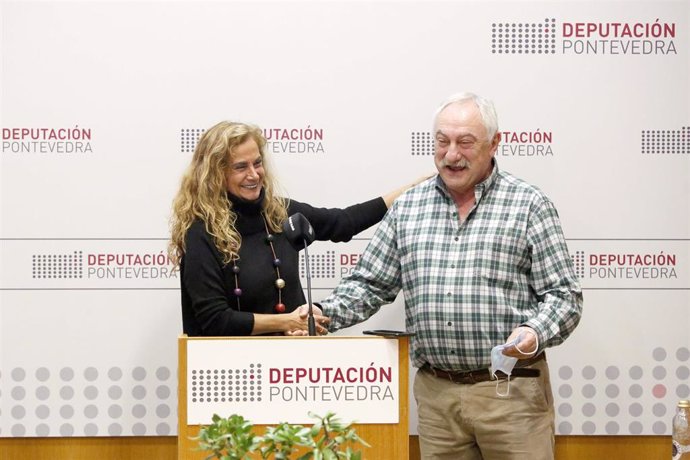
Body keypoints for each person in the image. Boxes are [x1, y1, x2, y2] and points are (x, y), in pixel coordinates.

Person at [317, 93, 583, 459]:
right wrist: (321, 316)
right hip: (437, 399)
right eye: (442, 142)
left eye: (465, 143)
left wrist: (534, 333)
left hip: (511, 394)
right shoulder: (408, 207)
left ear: (494, 144)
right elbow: (369, 285)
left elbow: (564, 297)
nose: (451, 154)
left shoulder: (529, 205)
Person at [168, 120, 420, 337]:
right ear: (214, 174)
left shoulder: (280, 213)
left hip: (290, 368)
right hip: (231, 373)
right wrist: (288, 321)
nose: (254, 174)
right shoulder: (201, 232)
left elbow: (343, 223)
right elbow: (214, 320)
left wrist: (414, 190)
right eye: (240, 167)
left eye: (257, 163)